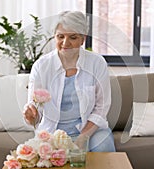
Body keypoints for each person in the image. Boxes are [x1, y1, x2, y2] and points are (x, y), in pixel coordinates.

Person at [23, 11, 115, 152]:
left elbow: (102, 107)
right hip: (52, 133)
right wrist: (31, 116)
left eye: (73, 37)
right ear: (55, 37)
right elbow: (36, 110)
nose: (65, 43)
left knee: (103, 147)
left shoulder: (97, 63)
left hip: (91, 131)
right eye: (60, 37)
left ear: (82, 39)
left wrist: (83, 137)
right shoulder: (41, 66)